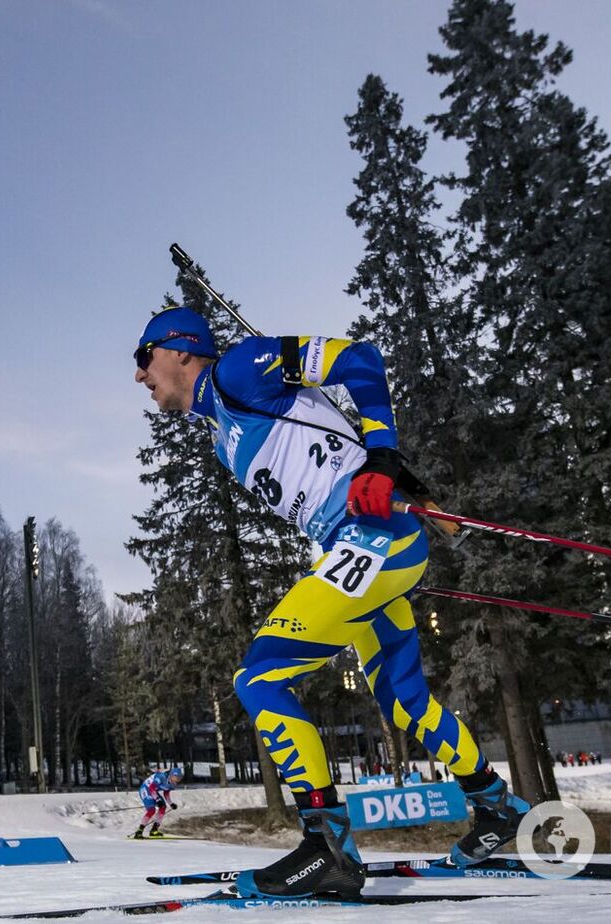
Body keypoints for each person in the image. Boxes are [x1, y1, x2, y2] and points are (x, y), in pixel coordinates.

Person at [132, 308, 530, 899]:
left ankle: (328, 848)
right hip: (358, 551)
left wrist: (382, 457)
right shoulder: (223, 436)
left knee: (260, 676)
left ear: (181, 350)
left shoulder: (239, 368)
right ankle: (498, 810)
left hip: (374, 535)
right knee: (405, 703)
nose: (140, 376)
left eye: (144, 358)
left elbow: (360, 361)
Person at [131, 767, 182, 838]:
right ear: (171, 775)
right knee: (152, 810)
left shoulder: (173, 784)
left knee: (163, 807)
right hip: (146, 788)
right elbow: (151, 787)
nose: (178, 780)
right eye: (177, 777)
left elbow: (166, 793)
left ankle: (154, 830)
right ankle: (139, 831)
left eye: (180, 778)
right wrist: (157, 799)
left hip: (153, 791)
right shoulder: (161, 777)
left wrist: (171, 804)